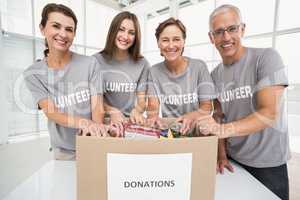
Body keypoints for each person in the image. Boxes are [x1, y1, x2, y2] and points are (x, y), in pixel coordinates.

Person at [198, 4, 290, 199]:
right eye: (219, 32)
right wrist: (221, 154)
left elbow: (269, 113)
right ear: (211, 37)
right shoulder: (214, 75)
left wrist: (222, 129)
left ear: (242, 29)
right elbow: (219, 117)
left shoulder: (267, 58)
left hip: (269, 165)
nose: (226, 37)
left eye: (232, 29)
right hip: (234, 161)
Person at [23, 3, 107, 160]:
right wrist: (84, 122)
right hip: (64, 151)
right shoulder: (33, 74)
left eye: (69, 29)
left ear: (74, 34)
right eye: (56, 26)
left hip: (92, 143)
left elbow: (97, 107)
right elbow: (52, 112)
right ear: (42, 29)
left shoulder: (90, 64)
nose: (63, 34)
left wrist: (96, 137)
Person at [147, 17, 216, 134]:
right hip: (170, 133)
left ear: (184, 42)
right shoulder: (153, 72)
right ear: (158, 43)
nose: (171, 45)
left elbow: (207, 107)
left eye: (176, 39)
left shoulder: (199, 67)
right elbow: (153, 107)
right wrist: (153, 118)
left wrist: (190, 116)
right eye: (165, 40)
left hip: (197, 132)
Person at [93, 11, 150, 135]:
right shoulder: (95, 61)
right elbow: (92, 98)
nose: (125, 36)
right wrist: (112, 111)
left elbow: (141, 101)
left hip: (129, 125)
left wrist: (137, 110)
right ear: (113, 30)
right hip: (104, 124)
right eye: (121, 29)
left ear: (136, 37)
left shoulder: (142, 64)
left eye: (131, 33)